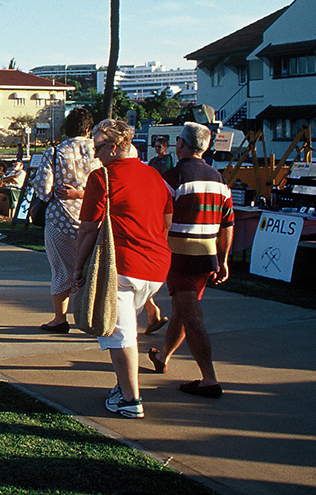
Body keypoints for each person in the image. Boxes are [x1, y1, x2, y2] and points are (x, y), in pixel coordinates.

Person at [75, 119, 173, 419]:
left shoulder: (101, 177)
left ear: (115, 147)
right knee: (125, 329)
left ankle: (131, 399)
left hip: (121, 266)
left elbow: (89, 230)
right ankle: (123, 387)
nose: (95, 154)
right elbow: (168, 217)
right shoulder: (155, 175)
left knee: (121, 335)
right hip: (156, 268)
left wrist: (77, 269)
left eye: (99, 148)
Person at [148, 122, 234, 399]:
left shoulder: (173, 177)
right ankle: (162, 358)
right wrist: (223, 259)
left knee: (191, 316)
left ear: (181, 145)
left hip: (180, 256)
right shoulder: (219, 180)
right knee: (183, 309)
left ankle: (209, 379)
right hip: (206, 256)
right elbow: (227, 225)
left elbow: (158, 217)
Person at [34, 107, 98, 333]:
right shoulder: (99, 151)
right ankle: (96, 315)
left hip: (61, 220)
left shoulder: (55, 152)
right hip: (93, 219)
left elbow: (43, 189)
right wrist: (83, 193)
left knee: (61, 269)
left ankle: (60, 318)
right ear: (89, 129)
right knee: (96, 270)